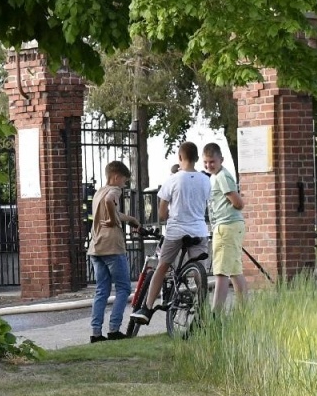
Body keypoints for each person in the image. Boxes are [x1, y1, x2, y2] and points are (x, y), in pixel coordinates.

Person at [131, 142, 211, 326]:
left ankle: (147, 308)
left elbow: (161, 213)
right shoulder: (205, 180)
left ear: (180, 157)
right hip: (199, 230)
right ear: (197, 158)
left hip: (176, 231)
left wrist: (169, 214)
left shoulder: (173, 180)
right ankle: (203, 310)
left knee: (162, 266)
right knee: (199, 270)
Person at [88, 160, 140, 342]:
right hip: (112, 246)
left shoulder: (98, 193)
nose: (124, 185)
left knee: (101, 290)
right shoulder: (114, 190)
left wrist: (131, 219)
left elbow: (114, 211)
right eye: (124, 181)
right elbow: (111, 202)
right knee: (124, 288)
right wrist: (111, 220)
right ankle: (114, 329)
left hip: (96, 247)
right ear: (116, 177)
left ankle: (96, 333)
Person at [202, 143, 247, 311]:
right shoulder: (217, 176)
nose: (208, 165)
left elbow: (238, 203)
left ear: (221, 159)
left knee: (221, 273)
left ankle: (215, 314)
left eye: (212, 161)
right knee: (235, 272)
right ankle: (244, 312)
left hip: (226, 226)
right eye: (205, 162)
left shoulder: (221, 176)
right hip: (231, 226)